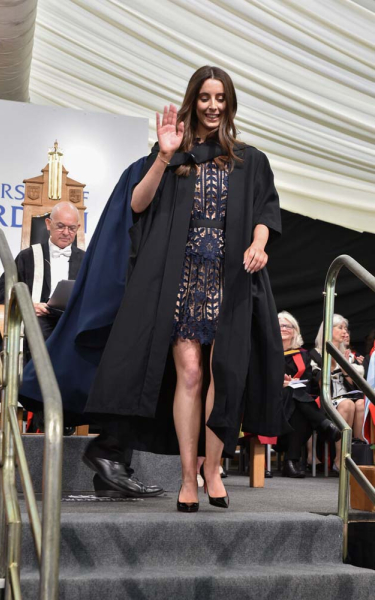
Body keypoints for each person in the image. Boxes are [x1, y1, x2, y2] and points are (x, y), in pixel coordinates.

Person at [82, 65, 289, 512]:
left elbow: (265, 211)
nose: (213, 106)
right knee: (190, 375)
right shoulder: (175, 153)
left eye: (220, 98)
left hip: (230, 279)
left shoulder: (249, 159)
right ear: (193, 101)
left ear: (230, 104)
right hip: (182, 279)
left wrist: (258, 244)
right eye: (205, 97)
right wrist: (163, 155)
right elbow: (137, 204)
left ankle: (213, 469)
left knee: (223, 374)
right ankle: (187, 477)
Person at [0, 201, 84, 341]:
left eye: (72, 228)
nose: (66, 232)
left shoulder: (86, 260)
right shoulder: (27, 256)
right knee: (38, 333)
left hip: (73, 319)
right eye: (60, 226)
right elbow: (2, 293)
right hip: (38, 319)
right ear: (48, 224)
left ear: (78, 228)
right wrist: (27, 306)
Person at [277, 311, 340, 478]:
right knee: (294, 396)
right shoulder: (266, 352)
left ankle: (290, 463)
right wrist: (279, 383)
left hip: (295, 402)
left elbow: (308, 383)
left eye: (288, 326)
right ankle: (323, 424)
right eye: (280, 325)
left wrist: (292, 384)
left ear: (295, 331)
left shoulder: (303, 355)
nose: (284, 328)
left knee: (297, 403)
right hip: (272, 401)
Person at [310, 315, 365, 472]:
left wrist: (346, 367)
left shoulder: (349, 355)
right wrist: (333, 364)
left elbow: (355, 384)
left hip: (348, 397)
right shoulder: (315, 354)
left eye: (345, 328)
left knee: (361, 404)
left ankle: (358, 454)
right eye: (340, 328)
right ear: (328, 330)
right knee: (347, 404)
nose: (344, 332)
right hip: (327, 400)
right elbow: (317, 383)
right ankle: (340, 459)